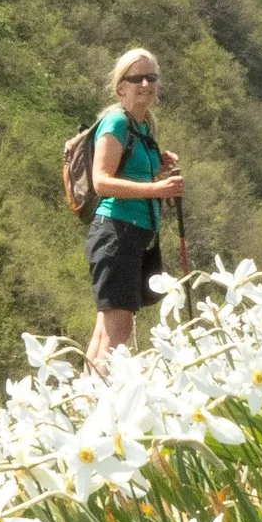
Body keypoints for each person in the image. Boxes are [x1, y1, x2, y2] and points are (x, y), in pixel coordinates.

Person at [83, 47, 182, 369]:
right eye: (136, 77)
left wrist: (156, 167)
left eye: (151, 77)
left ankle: (80, 405)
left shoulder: (142, 127)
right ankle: (99, 408)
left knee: (105, 333)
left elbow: (129, 174)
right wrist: (156, 188)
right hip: (116, 233)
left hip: (132, 235)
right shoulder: (115, 122)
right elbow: (102, 182)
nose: (145, 84)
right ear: (120, 86)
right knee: (117, 336)